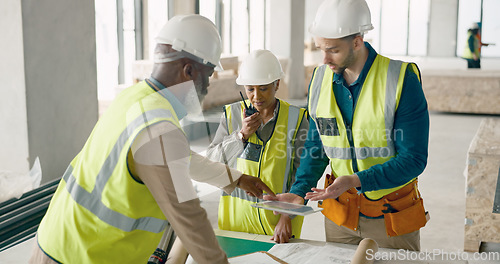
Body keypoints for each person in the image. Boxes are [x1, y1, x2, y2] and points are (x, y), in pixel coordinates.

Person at [29, 14, 275, 264]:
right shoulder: (157, 127)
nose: (208, 86)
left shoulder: (134, 98)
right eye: (208, 75)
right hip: (85, 255)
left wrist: (237, 178)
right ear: (189, 71)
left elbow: (179, 158)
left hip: (57, 241)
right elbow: (188, 216)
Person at [266, 0, 429, 251]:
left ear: (357, 41)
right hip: (341, 217)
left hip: (390, 216)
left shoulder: (401, 79)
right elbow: (317, 146)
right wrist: (299, 192)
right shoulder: (320, 80)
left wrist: (356, 180)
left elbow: (414, 159)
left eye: (333, 50)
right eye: (321, 48)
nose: (325, 58)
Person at [206, 49, 309, 244]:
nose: (256, 96)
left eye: (263, 88)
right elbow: (211, 160)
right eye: (250, 89)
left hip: (279, 226)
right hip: (235, 223)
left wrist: (287, 216)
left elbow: (302, 173)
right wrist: (241, 136)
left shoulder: (297, 119)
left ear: (277, 84)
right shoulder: (231, 115)